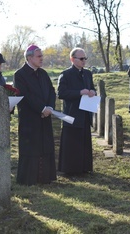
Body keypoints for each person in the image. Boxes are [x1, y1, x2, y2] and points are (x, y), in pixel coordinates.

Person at [14, 45, 57, 185]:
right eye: (39, 56)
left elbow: (51, 91)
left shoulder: (43, 73)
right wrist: (41, 108)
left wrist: (49, 107)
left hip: (45, 116)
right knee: (32, 147)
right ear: (29, 57)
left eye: (42, 56)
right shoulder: (20, 74)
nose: (42, 58)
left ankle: (45, 178)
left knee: (45, 146)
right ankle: (29, 179)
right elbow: (25, 95)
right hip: (30, 119)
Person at [57, 47, 96, 175]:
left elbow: (92, 88)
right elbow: (61, 93)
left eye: (85, 58)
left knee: (84, 141)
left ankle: (84, 167)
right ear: (72, 59)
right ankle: (70, 169)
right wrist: (79, 92)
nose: (84, 61)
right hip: (71, 113)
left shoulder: (88, 73)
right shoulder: (66, 74)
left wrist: (92, 92)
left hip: (85, 112)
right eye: (81, 58)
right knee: (71, 143)